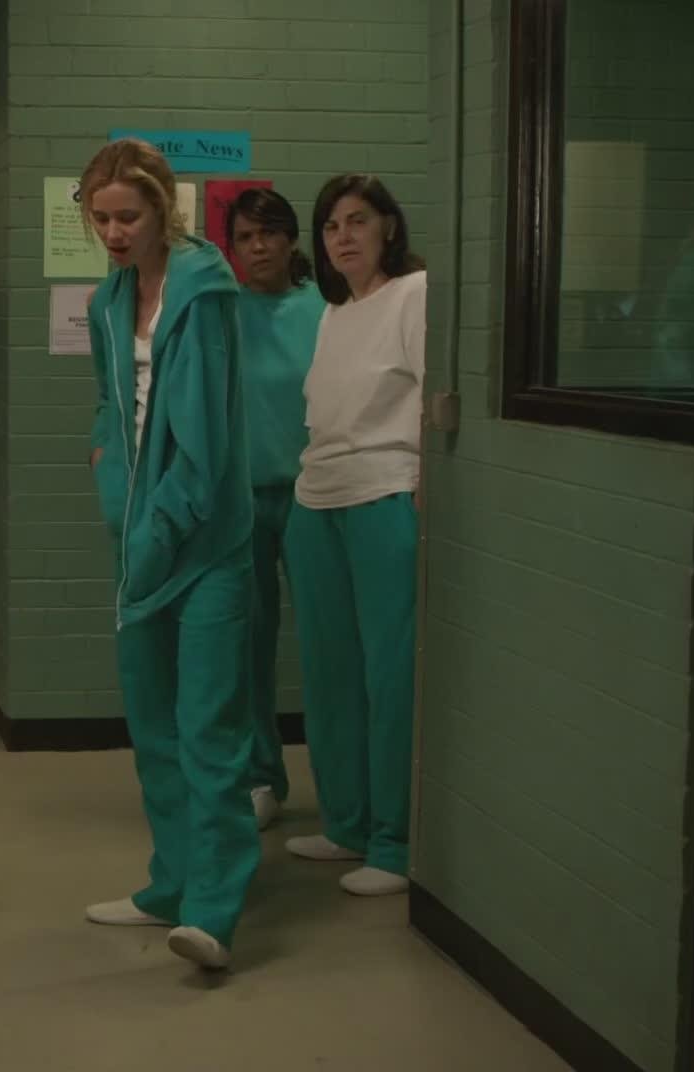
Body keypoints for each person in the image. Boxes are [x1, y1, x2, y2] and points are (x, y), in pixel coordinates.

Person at [81, 138, 258, 971]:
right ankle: (171, 885)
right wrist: (107, 472)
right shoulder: (108, 302)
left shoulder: (206, 291)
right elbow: (108, 404)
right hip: (138, 540)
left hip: (206, 542)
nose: (115, 233)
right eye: (102, 218)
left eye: (129, 216)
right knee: (152, 727)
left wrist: (159, 528)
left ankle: (213, 913)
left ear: (163, 211)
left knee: (207, 731)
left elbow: (207, 443)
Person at [282, 174, 426, 898]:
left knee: (389, 677)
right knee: (330, 674)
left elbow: (435, 397)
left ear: (388, 228)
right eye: (331, 225)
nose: (342, 236)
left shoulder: (415, 294)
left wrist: (425, 488)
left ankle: (395, 845)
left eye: (357, 221)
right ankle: (347, 825)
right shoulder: (334, 311)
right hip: (317, 503)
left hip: (384, 498)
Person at [224, 188, 329, 832]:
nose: (257, 247)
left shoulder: (327, 309)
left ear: (291, 238)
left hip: (314, 499)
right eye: (244, 237)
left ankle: (343, 790)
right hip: (242, 502)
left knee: (326, 643)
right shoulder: (223, 312)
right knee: (247, 645)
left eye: (268, 233)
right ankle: (261, 776)